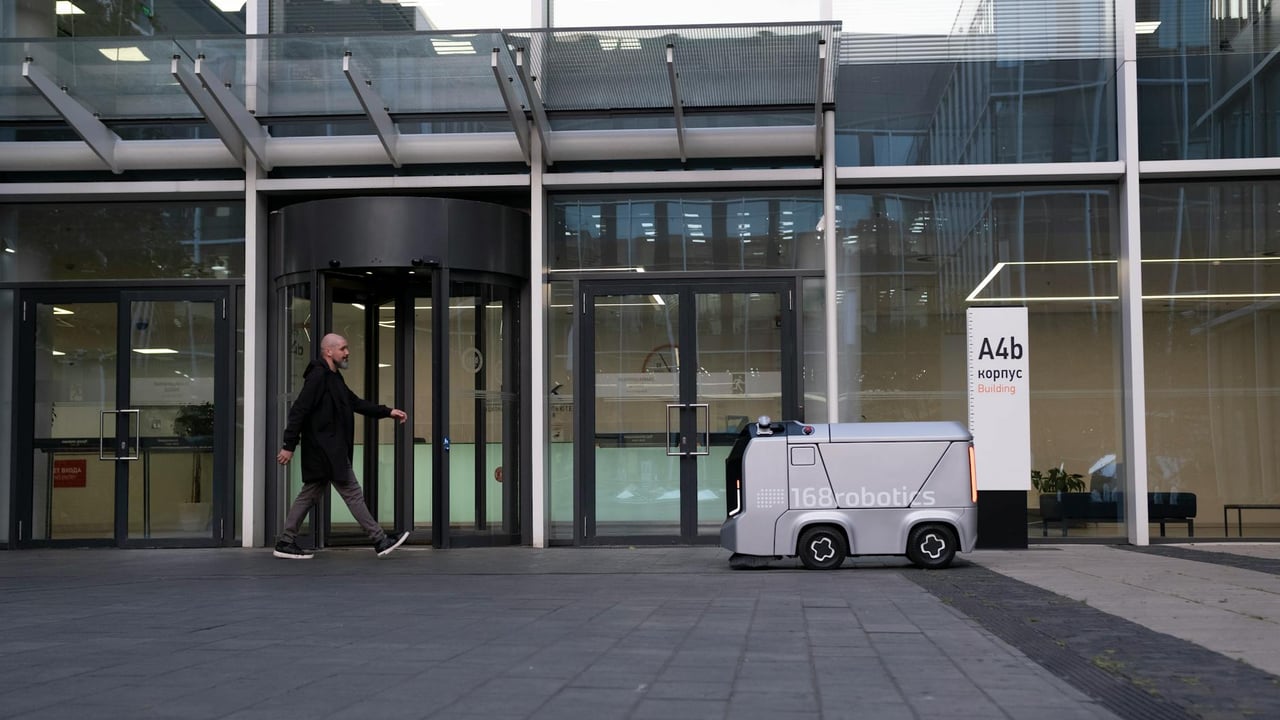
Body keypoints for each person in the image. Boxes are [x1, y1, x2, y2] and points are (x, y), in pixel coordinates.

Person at [273, 333, 410, 559]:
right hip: (326, 452)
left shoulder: (334, 378)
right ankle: (379, 539)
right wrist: (289, 445)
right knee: (353, 493)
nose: (347, 353)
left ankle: (285, 541)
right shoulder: (317, 377)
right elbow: (299, 410)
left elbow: (355, 402)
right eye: (343, 349)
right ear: (329, 351)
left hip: (330, 450)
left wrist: (387, 412)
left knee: (309, 495)